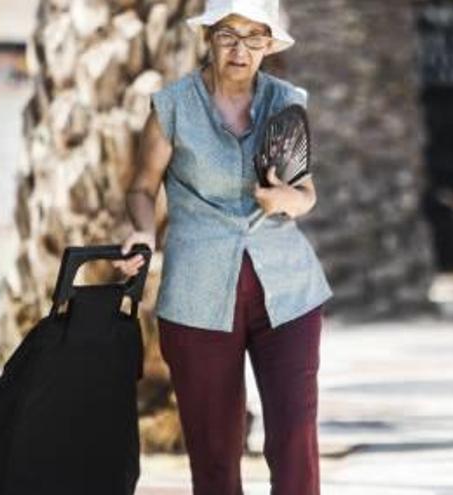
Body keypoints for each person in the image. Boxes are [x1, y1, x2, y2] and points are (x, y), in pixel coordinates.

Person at [112, 1, 332, 493]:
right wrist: (144, 232)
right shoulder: (172, 106)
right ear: (208, 36)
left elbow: (306, 195)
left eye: (256, 36)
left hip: (288, 293)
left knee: (294, 439)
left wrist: (283, 199)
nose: (241, 48)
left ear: (270, 45)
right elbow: (141, 188)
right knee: (214, 452)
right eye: (229, 33)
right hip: (198, 295)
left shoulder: (286, 101)